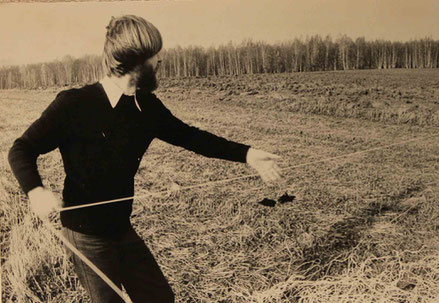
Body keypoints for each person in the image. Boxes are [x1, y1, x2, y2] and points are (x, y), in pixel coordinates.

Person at [7, 15, 282, 302]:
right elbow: (21, 149)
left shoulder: (146, 107)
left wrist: (247, 154)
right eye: (155, 55)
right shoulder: (75, 104)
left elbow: (192, 138)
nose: (161, 60)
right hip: (85, 235)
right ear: (136, 59)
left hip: (121, 228)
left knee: (160, 299)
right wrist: (35, 190)